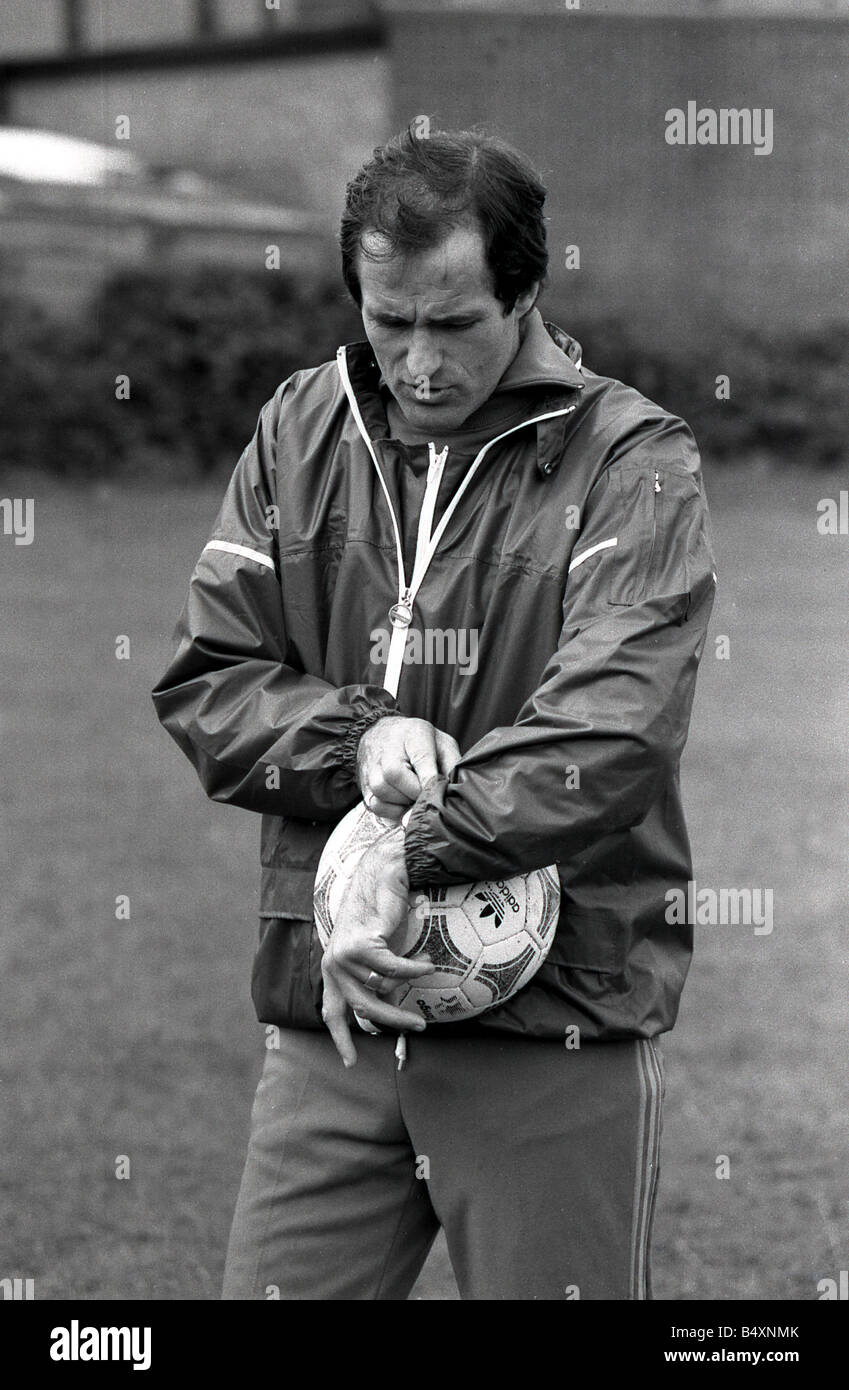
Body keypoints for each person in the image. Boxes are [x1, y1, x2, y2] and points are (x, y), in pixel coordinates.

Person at [152, 126, 716, 1301]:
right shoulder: (299, 431)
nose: (415, 363)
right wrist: (355, 736)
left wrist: (414, 849)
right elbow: (211, 677)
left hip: (555, 1028)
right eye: (386, 318)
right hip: (332, 1017)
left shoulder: (633, 462)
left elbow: (611, 732)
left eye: (452, 325)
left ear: (526, 290)